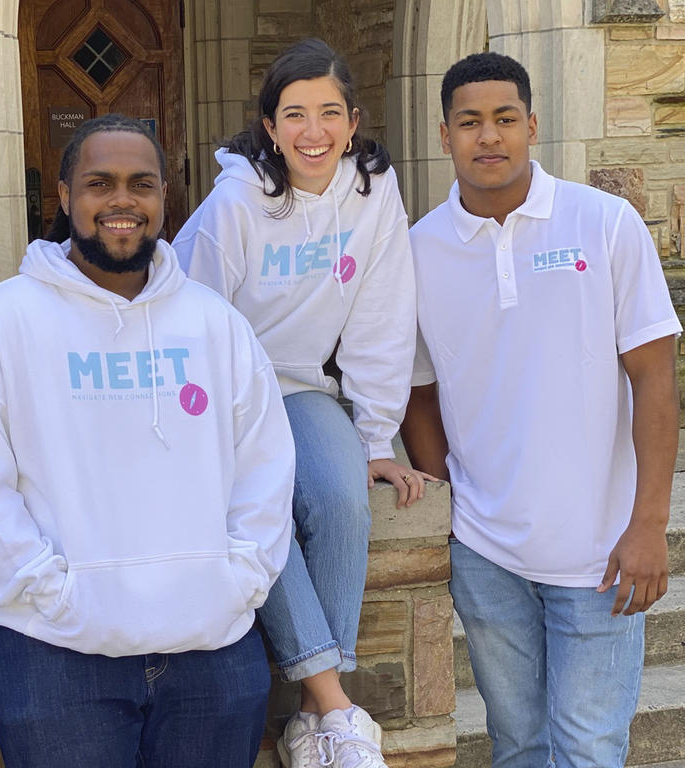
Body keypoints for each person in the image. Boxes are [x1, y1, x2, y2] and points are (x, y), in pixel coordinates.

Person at [0, 113, 295, 768]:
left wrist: (234, 582)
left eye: (141, 184)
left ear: (163, 197)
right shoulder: (0, 325)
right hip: (55, 654)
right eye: (100, 183)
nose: (122, 201)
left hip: (212, 652)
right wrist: (58, 598)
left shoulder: (216, 326)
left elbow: (265, 470)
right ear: (66, 197)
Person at [401, 52, 680, 767]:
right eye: (470, 122)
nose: (488, 137)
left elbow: (654, 379)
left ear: (532, 126)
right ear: (444, 135)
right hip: (488, 554)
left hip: (602, 553)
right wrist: (450, 506)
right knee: (518, 746)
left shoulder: (606, 224)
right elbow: (418, 390)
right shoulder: (417, 252)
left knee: (587, 750)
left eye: (504, 120)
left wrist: (650, 523)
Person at [172, 38, 427, 768]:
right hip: (225, 392)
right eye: (294, 116)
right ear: (269, 127)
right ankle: (335, 707)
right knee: (263, 503)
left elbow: (383, 317)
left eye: (328, 113)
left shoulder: (374, 193)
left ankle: (318, 714)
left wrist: (376, 438)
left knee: (344, 499)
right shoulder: (234, 203)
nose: (312, 132)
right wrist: (207, 435)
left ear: (353, 122)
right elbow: (199, 321)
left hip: (304, 385)